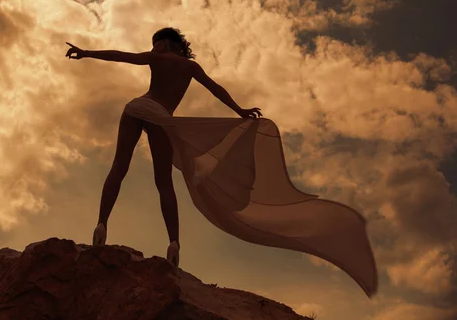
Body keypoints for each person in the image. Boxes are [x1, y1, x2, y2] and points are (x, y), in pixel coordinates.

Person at [65, 28, 378, 297]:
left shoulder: (159, 58)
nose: (153, 47)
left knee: (119, 169)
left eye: (157, 42)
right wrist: (239, 110)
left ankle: (102, 223)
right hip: (160, 116)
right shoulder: (190, 66)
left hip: (138, 108)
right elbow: (215, 88)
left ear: (169, 44)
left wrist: (86, 52)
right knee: (164, 183)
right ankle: (173, 243)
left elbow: (122, 55)